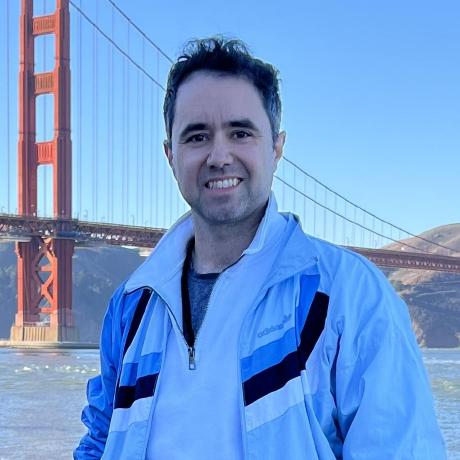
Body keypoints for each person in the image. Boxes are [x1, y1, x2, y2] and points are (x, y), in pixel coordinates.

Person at [75, 37, 446, 459]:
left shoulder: (351, 294)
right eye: (197, 136)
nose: (219, 156)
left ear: (277, 147)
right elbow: (99, 440)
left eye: (240, 132)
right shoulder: (131, 306)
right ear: (169, 155)